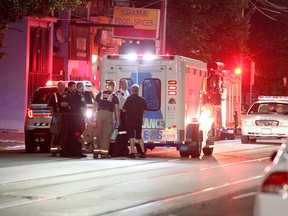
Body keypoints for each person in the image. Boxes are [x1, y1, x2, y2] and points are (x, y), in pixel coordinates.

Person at [93, 81, 120, 159]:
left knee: (98, 133)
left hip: (99, 113)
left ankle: (96, 151)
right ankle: (104, 153)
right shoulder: (114, 96)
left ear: (107, 86)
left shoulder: (100, 94)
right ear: (114, 87)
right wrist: (118, 120)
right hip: (108, 114)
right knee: (106, 134)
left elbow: (94, 106)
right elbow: (117, 109)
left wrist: (93, 117)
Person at [122, 84, 147, 158]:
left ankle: (132, 152)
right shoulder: (142, 100)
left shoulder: (129, 99)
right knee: (139, 137)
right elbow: (145, 110)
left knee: (131, 137)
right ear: (138, 91)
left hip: (130, 121)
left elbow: (124, 109)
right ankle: (143, 152)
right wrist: (142, 117)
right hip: (138, 121)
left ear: (132, 90)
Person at [68, 82, 87, 158]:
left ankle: (72, 151)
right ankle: (77, 152)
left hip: (72, 118)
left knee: (73, 135)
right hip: (79, 118)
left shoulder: (72, 96)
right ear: (81, 87)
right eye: (84, 87)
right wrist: (86, 117)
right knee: (79, 135)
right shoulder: (80, 96)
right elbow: (82, 108)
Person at [48, 81, 66, 156]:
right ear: (58, 87)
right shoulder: (54, 96)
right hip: (57, 116)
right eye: (60, 86)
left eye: (63, 86)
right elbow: (51, 107)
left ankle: (62, 149)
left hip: (65, 116)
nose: (62, 87)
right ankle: (54, 150)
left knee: (64, 133)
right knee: (55, 133)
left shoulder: (66, 95)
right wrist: (53, 117)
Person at [61, 81, 76, 157]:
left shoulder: (74, 95)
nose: (75, 88)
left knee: (71, 134)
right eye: (73, 86)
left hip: (72, 117)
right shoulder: (65, 95)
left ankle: (71, 150)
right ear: (69, 87)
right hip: (66, 116)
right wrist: (70, 104)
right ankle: (64, 151)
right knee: (66, 134)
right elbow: (62, 104)